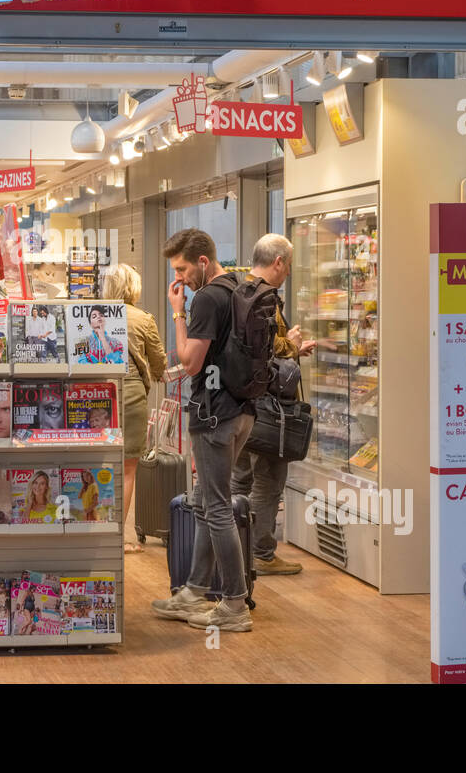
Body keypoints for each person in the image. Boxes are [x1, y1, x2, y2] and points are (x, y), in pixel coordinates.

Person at [151, 228, 255, 632]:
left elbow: (191, 361)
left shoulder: (208, 297)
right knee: (203, 500)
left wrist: (178, 311)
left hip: (214, 416)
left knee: (215, 507)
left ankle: (233, 604)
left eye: (181, 268)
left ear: (202, 262)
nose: (179, 278)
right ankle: (194, 590)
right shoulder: (238, 289)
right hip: (242, 411)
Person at [234, 234, 316, 576]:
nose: (289, 272)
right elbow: (266, 350)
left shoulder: (238, 291)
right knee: (269, 479)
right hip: (269, 410)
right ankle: (262, 553)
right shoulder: (265, 298)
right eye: (289, 264)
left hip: (239, 406)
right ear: (278, 262)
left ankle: (235, 548)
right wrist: (292, 345)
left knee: (239, 479)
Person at [102, 263, 166, 553]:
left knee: (96, 461)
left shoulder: (94, 315)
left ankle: (91, 530)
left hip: (94, 392)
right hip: (129, 391)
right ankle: (117, 536)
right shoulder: (142, 318)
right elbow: (159, 362)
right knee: (127, 468)